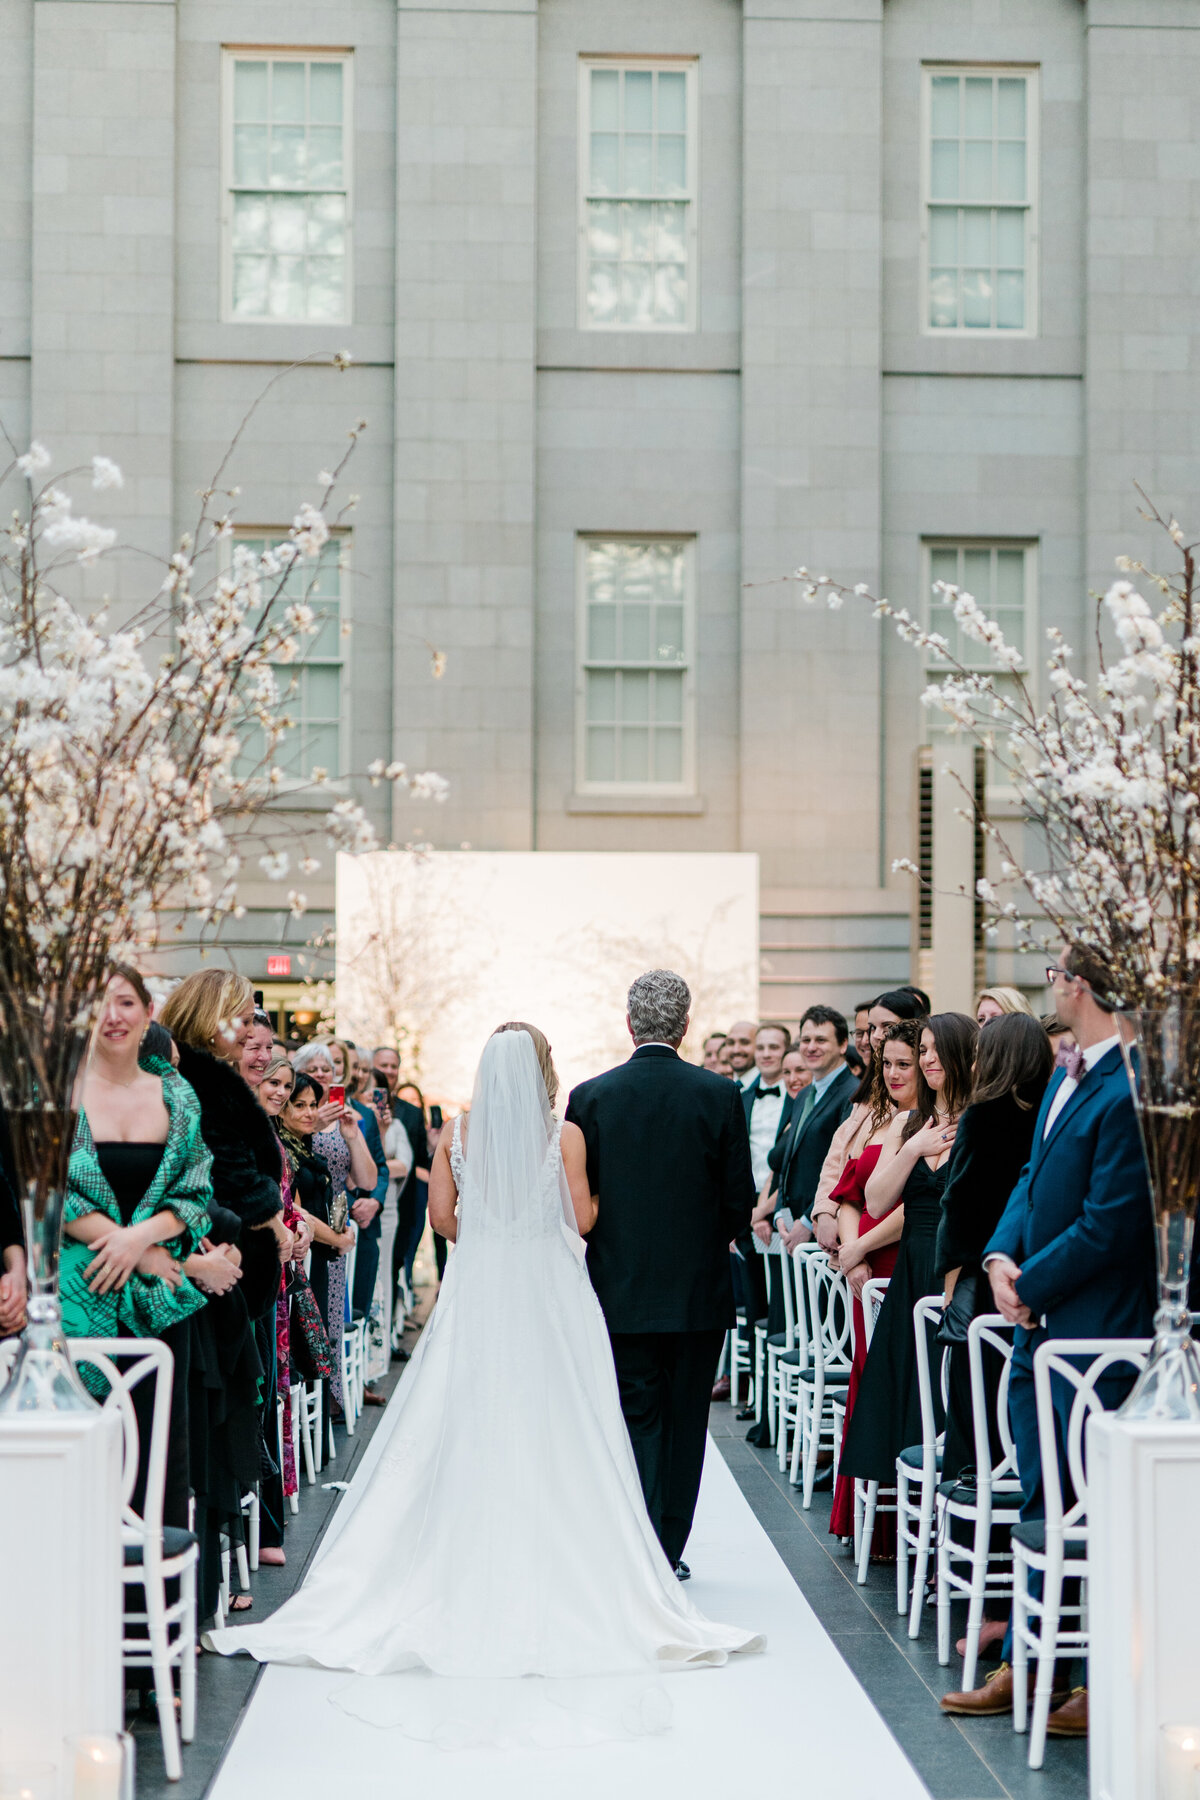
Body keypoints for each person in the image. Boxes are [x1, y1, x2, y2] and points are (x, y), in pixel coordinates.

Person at [207, 1021, 762, 1707]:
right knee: (562, 1415)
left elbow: (440, 1217)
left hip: (482, 1283)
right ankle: (566, 1561)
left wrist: (494, 1232)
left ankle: (469, 1553)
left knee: (472, 1408)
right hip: (550, 1285)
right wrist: (530, 1228)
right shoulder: (565, 1136)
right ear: (541, 1070)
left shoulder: (458, 1135)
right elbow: (584, 1219)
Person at [942, 944, 1155, 1734]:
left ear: (1086, 988)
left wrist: (1028, 1287)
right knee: (1045, 1503)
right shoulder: (1071, 1071)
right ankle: (1030, 1670)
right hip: (1043, 1329)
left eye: (1057, 978)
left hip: (1096, 1331)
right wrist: (1000, 1257)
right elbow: (1032, 1181)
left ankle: (1101, 1681)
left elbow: (1111, 1224)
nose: (1049, 989)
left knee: (1095, 1509)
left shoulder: (1128, 1084)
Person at [567, 971, 758, 1576]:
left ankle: (635, 1541)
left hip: (616, 1287)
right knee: (685, 1420)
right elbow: (739, 1199)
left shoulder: (591, 1096)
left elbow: (581, 1200)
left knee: (632, 1415)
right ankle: (668, 1548)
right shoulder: (720, 1094)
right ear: (684, 1026)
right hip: (697, 1289)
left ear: (629, 1024)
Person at [61, 966, 216, 1527]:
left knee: (157, 1458)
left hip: (158, 1299)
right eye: (99, 1003)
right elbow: (48, 1187)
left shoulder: (176, 1094)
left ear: (148, 1011)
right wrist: (125, 1247)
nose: (112, 1016)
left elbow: (195, 1194)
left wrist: (144, 1242)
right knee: (86, 1452)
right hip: (81, 1294)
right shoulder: (57, 1087)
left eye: (125, 1002)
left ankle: (149, 1604)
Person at [159, 969, 289, 1619]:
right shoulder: (203, 1082)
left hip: (233, 1266)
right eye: (240, 1016)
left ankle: (218, 1573)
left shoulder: (211, 1076)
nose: (248, 1028)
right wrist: (264, 1219)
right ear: (212, 1016)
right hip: (215, 1269)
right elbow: (224, 1174)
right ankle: (210, 1579)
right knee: (215, 1427)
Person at [933, 1010, 1052, 1658]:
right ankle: (1005, 1602)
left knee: (975, 1444)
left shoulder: (984, 1115)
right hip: (1030, 1294)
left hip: (982, 1293)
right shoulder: (1045, 1117)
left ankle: (980, 1602)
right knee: (1018, 1452)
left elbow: (964, 1204)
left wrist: (950, 1273)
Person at [837, 1012, 978, 1491]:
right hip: (911, 1271)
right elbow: (876, 1200)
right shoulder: (908, 1123)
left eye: (936, 1050)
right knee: (903, 1399)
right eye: (924, 1050)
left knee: (946, 1398)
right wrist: (914, 1146)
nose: (928, 1059)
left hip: (954, 1272)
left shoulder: (980, 1120)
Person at [825, 1021, 920, 1539]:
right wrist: (849, 1251)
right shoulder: (883, 1120)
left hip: (897, 1263)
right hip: (864, 1272)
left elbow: (918, 1205)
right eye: (888, 1063)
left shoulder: (930, 1124)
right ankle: (862, 1521)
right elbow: (848, 1197)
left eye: (906, 1062)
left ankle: (890, 1529)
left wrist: (864, 1244)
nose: (895, 1072)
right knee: (864, 1380)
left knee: (894, 1388)